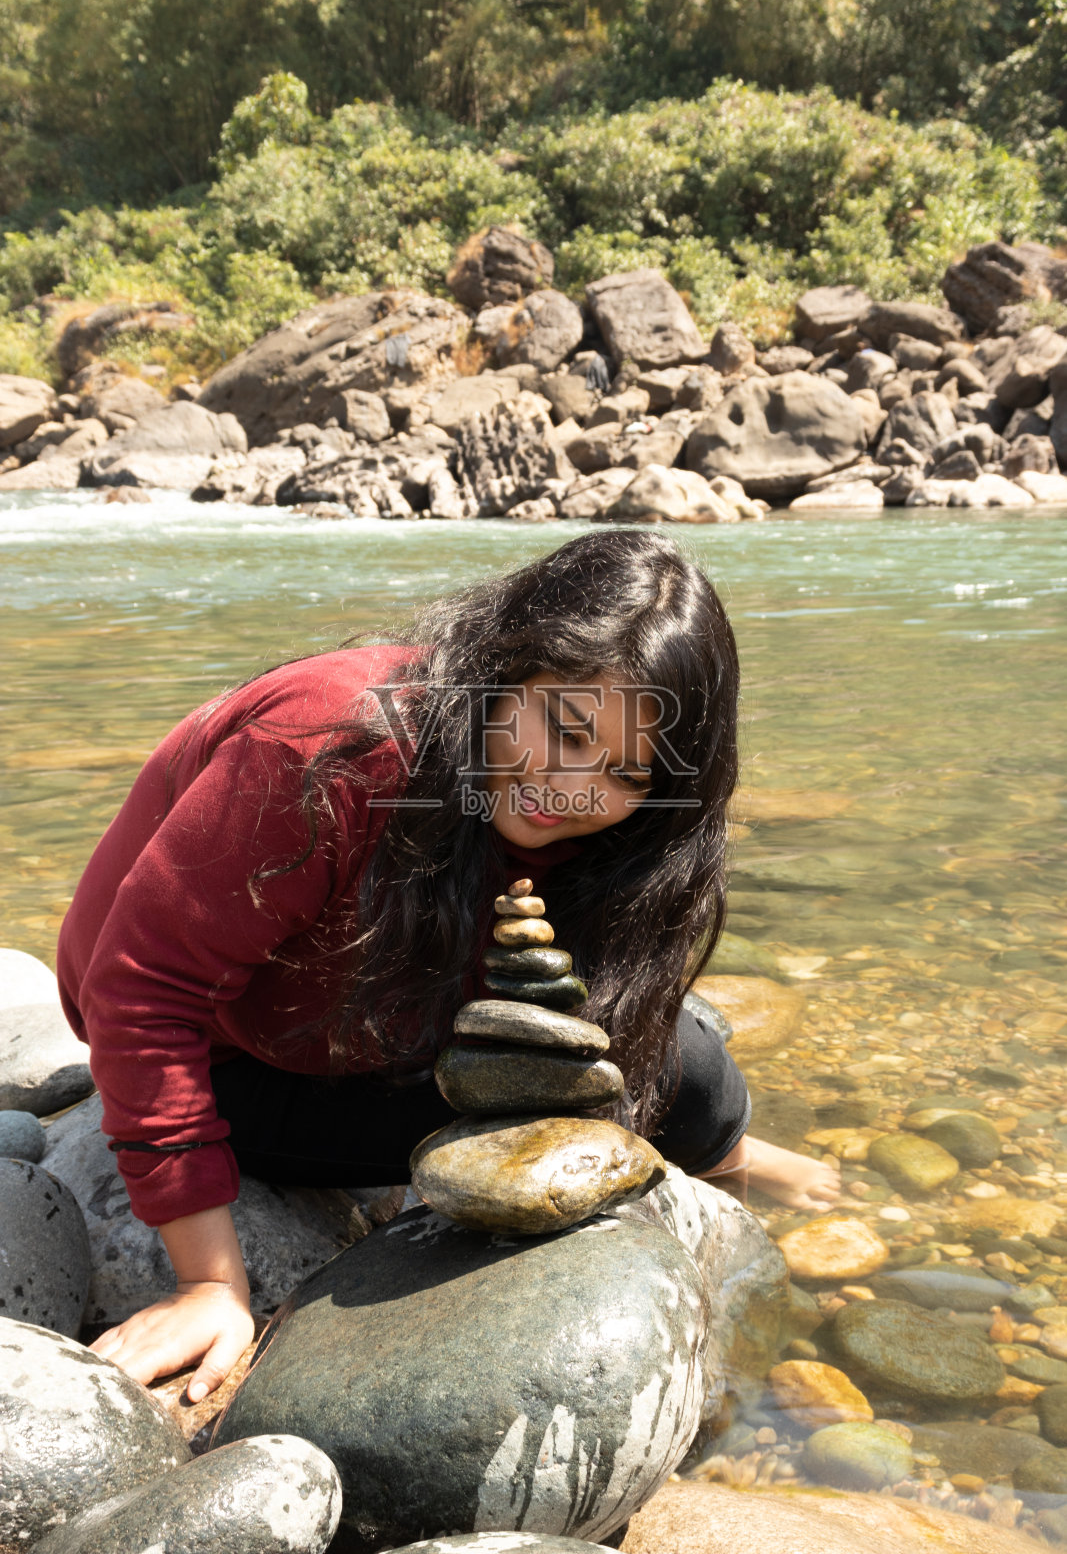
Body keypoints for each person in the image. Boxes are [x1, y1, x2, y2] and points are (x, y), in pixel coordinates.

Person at [57, 528, 837, 1405]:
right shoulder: (327, 751)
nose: (571, 787)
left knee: (680, 1069)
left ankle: (728, 1160)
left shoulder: (593, 811)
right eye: (563, 728)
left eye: (625, 771)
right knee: (615, 1098)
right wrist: (208, 1284)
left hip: (372, 1002)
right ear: (504, 668)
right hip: (235, 1054)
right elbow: (141, 992)